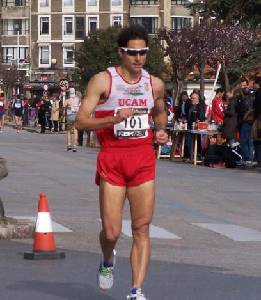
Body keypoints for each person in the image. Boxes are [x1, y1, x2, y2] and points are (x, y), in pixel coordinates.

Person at [75, 25, 168, 300]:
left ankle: (136, 290)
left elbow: (160, 116)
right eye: (132, 52)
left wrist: (161, 132)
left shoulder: (154, 84)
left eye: (143, 52)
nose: (138, 58)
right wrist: (113, 119)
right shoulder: (103, 81)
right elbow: (80, 121)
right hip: (112, 158)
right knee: (112, 230)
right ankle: (107, 259)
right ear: (121, 52)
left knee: (141, 227)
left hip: (142, 158)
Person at [235, 79, 255, 165]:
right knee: (248, 140)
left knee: (245, 140)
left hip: (246, 120)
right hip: (248, 120)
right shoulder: (245, 96)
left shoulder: (247, 97)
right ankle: (248, 157)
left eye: (244, 85)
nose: (243, 87)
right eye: (242, 85)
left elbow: (243, 109)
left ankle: (247, 158)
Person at [252, 76, 261, 165]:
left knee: (257, 139)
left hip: (259, 119)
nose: (253, 85)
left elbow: (255, 107)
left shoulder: (257, 94)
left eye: (254, 83)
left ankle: (258, 159)